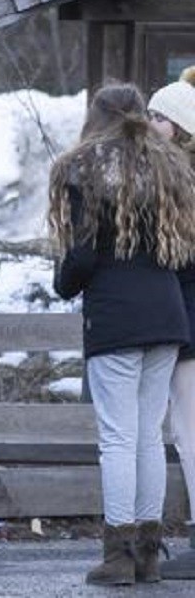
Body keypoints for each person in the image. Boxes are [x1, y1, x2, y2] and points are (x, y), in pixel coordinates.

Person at [49, 83, 195, 586]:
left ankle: (117, 556)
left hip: (115, 318)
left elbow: (83, 255)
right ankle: (149, 556)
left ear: (98, 118)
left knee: (116, 438)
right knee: (149, 437)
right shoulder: (168, 167)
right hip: (167, 316)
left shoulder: (84, 169)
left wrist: (63, 281)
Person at [149, 67, 195, 580]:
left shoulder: (182, 183)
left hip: (189, 315)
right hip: (183, 313)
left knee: (190, 430)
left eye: (161, 116)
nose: (151, 123)